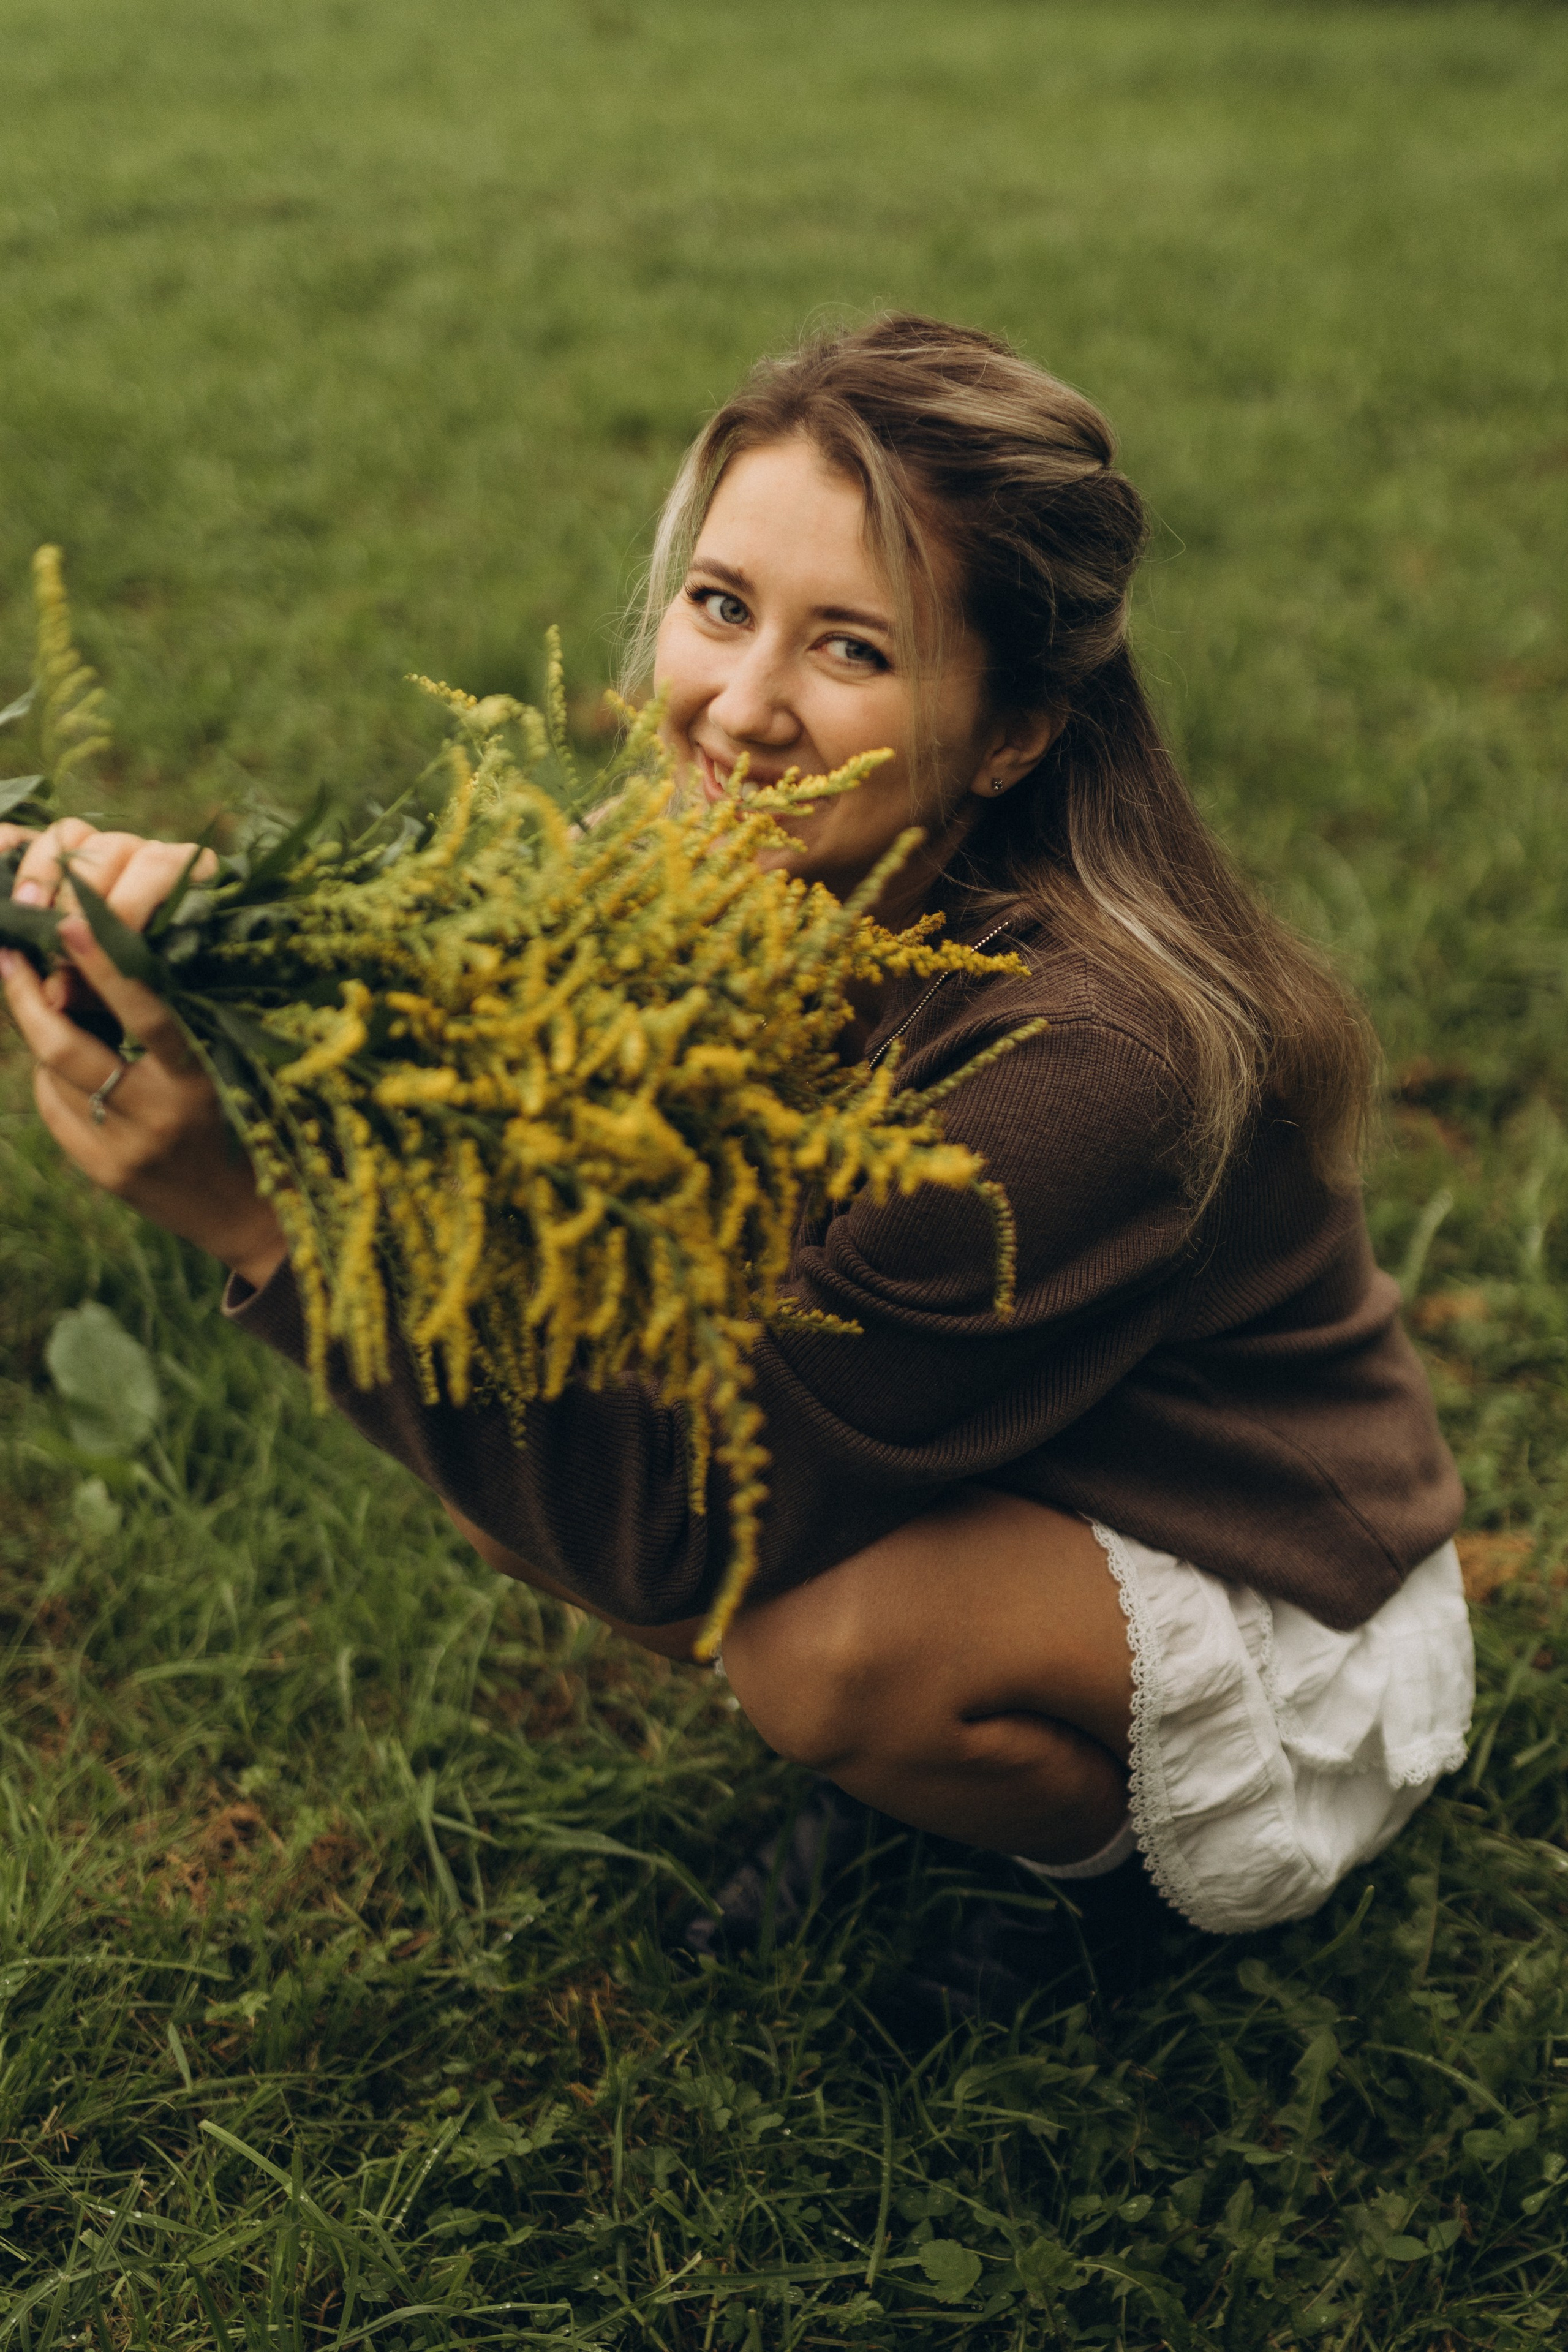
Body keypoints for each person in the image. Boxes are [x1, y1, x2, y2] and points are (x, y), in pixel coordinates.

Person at [0, 315, 1472, 1940]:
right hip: (969, 1448)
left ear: (1015, 728)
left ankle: (1078, 1882)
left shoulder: (1089, 1058)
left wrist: (262, 1224)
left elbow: (680, 1527)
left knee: (807, 1643)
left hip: (1263, 1575)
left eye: (854, 648)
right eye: (720, 607)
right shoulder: (732, 886)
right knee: (584, 1407)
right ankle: (950, 1751)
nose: (740, 710)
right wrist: (226, 949)